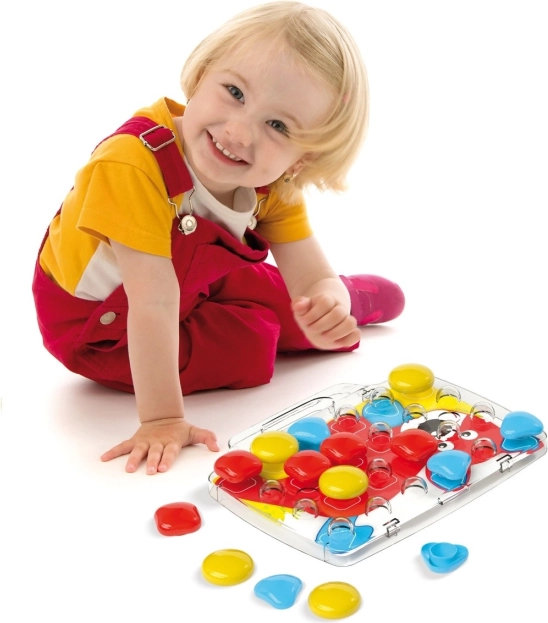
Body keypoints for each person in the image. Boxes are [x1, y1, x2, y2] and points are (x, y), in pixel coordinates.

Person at [32, 1, 405, 475]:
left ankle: (347, 303)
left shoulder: (272, 184)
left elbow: (307, 272)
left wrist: (325, 300)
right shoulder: (130, 166)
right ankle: (281, 325)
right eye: (234, 92)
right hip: (105, 328)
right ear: (203, 71)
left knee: (292, 300)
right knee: (251, 345)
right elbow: (153, 303)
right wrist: (162, 420)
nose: (238, 132)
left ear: (301, 160)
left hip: (188, 285)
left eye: (278, 126)